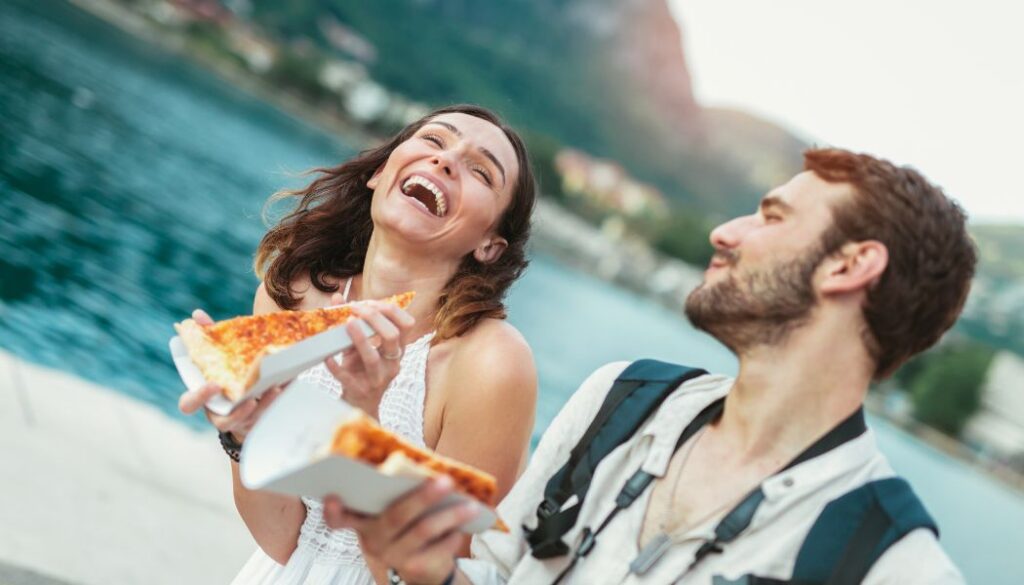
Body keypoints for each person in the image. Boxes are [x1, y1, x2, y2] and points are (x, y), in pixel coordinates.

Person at [322, 148, 975, 584]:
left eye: (771, 216)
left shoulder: (897, 567)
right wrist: (428, 569)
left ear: (849, 266)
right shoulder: (618, 398)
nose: (725, 231)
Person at [178, 104, 539, 585]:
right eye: (434, 141)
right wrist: (242, 435)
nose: (445, 161)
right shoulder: (293, 293)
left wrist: (363, 422)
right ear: (378, 172)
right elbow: (284, 541)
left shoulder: (491, 362)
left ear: (490, 245)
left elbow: (440, 574)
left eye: (481, 171)